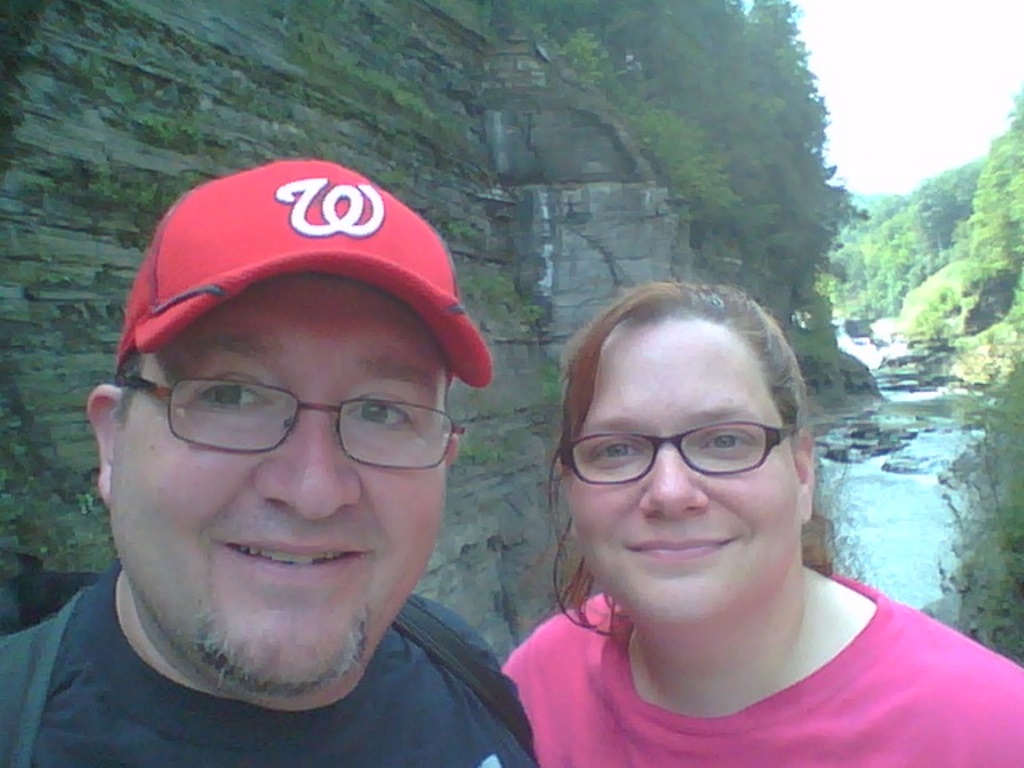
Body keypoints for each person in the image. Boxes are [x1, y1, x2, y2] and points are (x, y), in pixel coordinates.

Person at [0, 159, 536, 767]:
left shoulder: (464, 673)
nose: (313, 490)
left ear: (445, 458)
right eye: (230, 395)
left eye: (383, 412)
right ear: (113, 444)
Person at [504, 280, 1024, 767]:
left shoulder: (990, 730)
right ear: (571, 485)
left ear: (801, 473)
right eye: (616, 449)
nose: (670, 492)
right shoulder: (537, 689)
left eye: (725, 440)